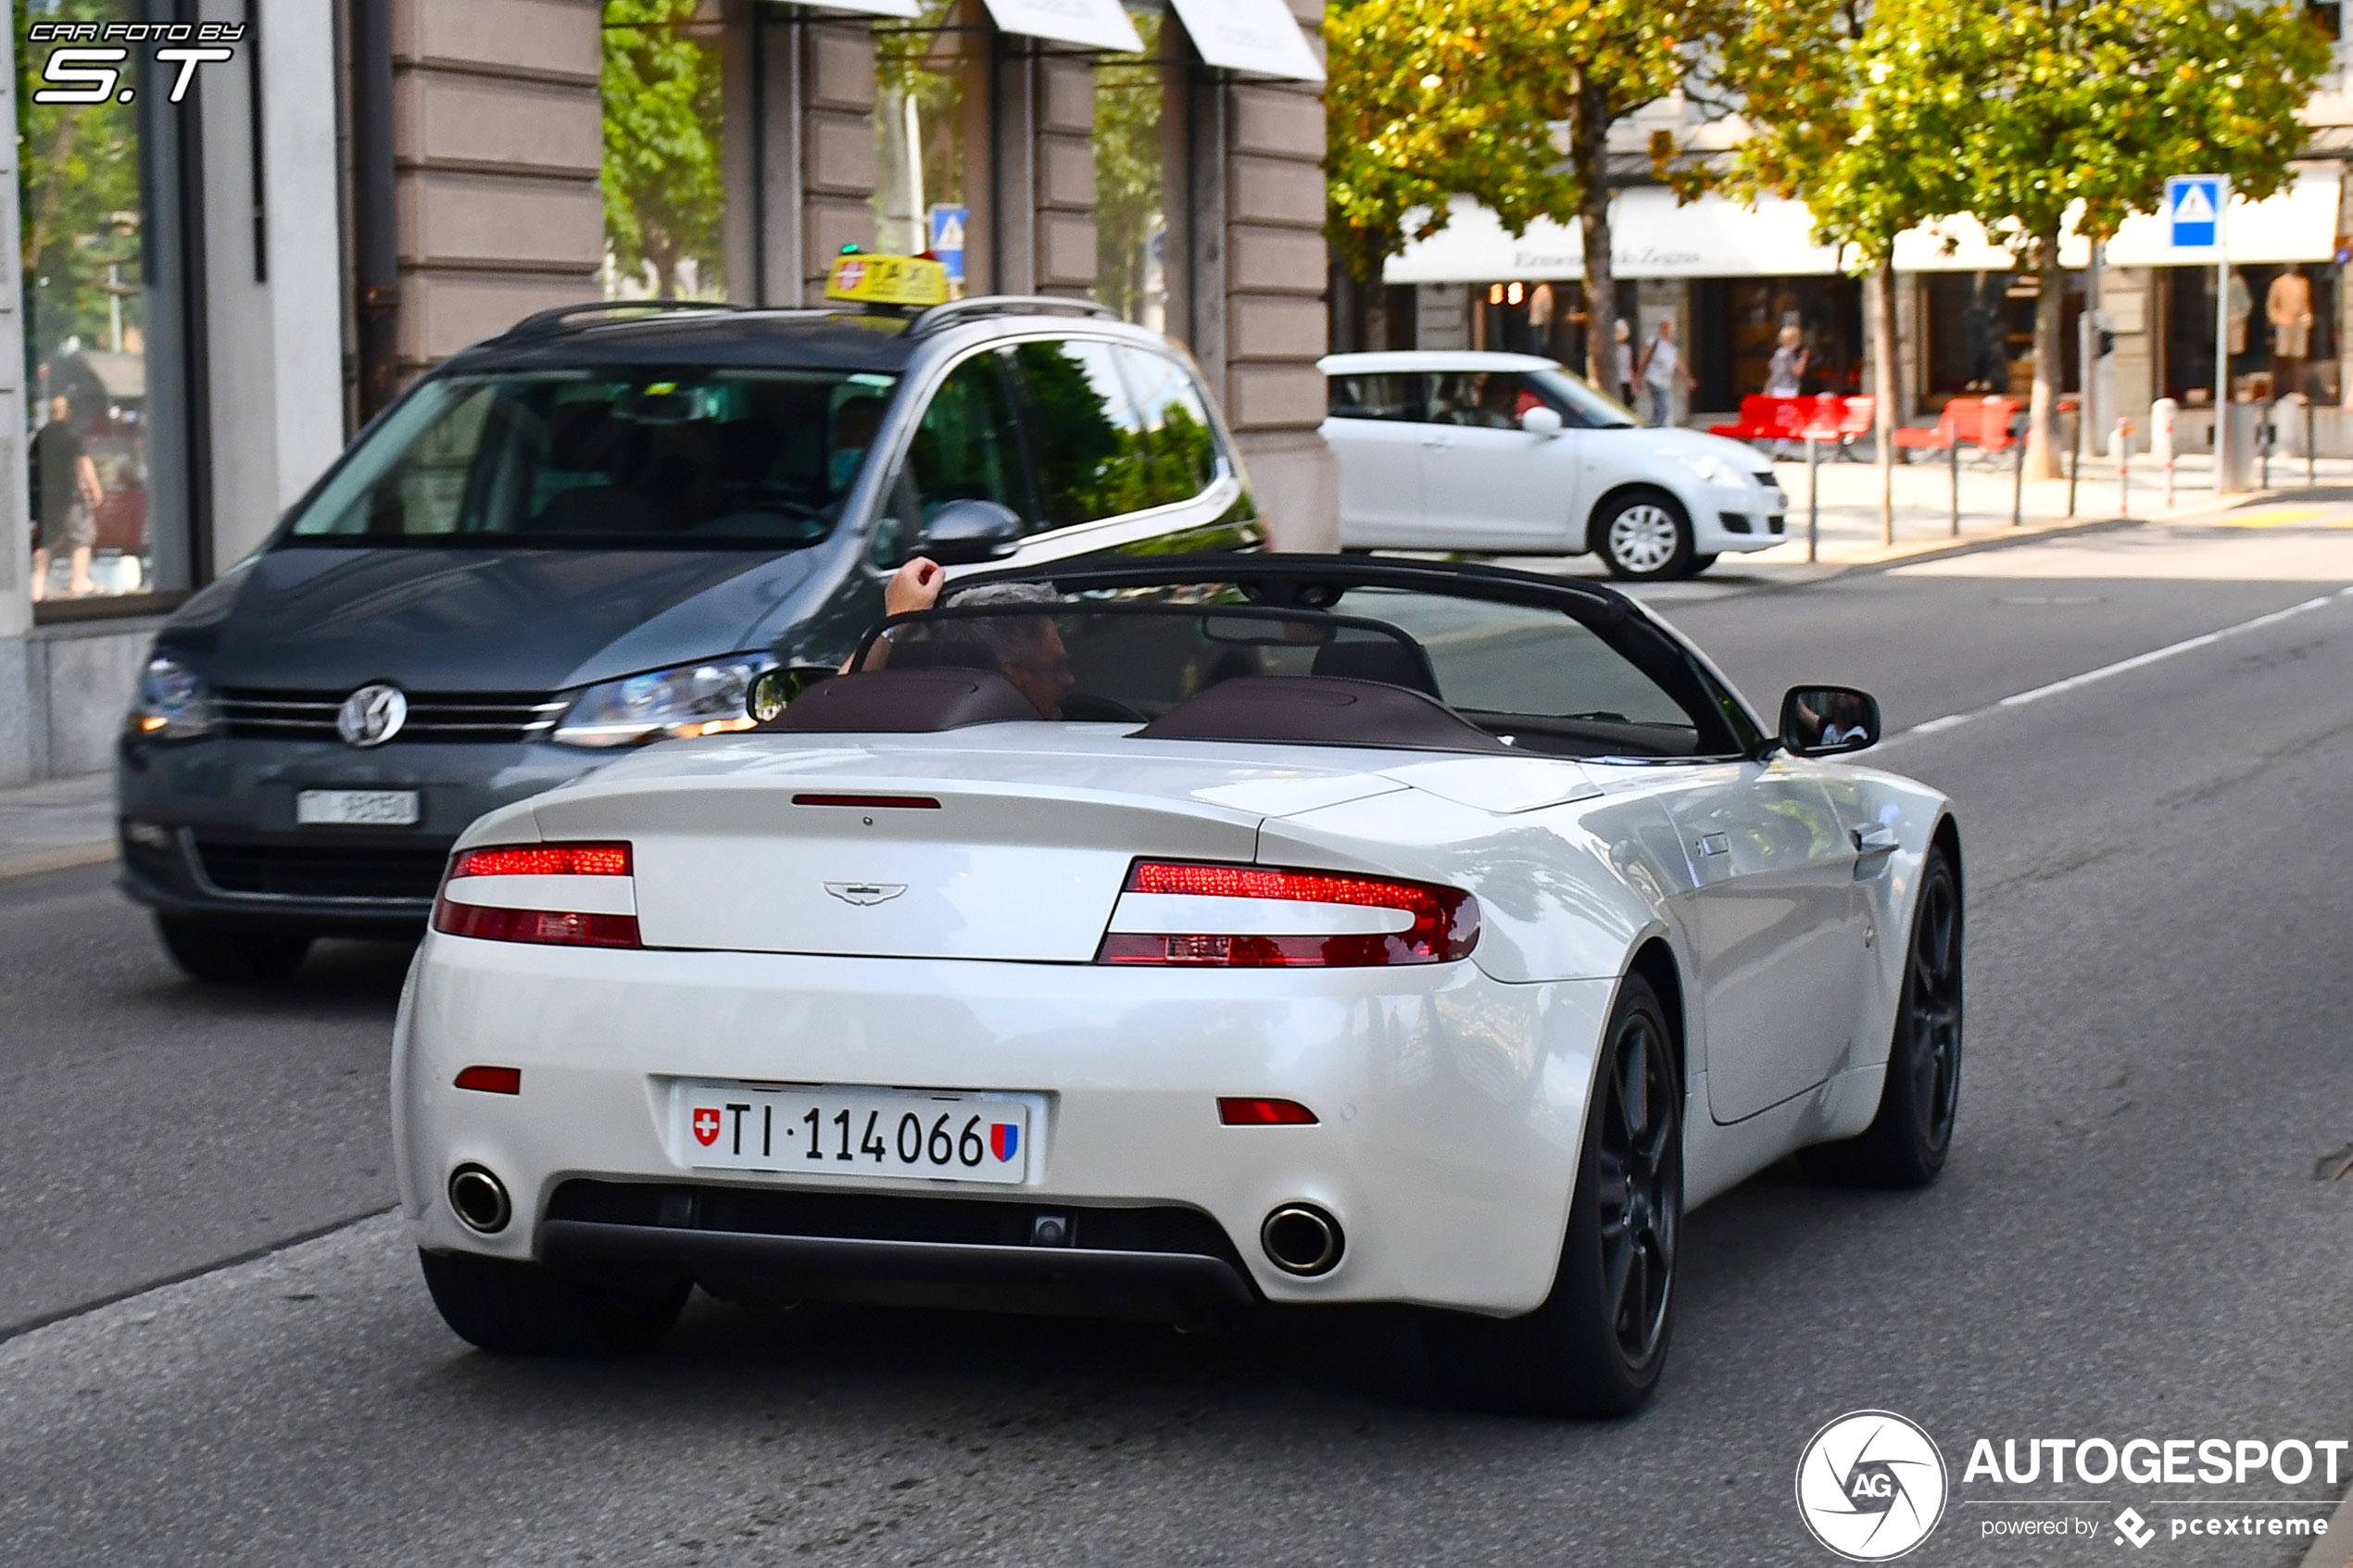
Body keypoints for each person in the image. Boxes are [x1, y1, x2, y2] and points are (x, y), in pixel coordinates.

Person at [31, 395, 103, 600]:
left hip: (47, 496)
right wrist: (95, 488)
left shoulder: (41, 435)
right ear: (68, 413)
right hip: (69, 496)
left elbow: (31, 463)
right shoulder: (72, 435)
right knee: (81, 538)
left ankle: (37, 587)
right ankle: (79, 581)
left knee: (44, 541)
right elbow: (84, 463)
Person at [1636, 320, 1693, 429]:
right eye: (1666, 328)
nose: (1668, 331)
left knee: (1661, 407)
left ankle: (1655, 426)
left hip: (1665, 380)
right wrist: (1639, 376)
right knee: (1663, 406)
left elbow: (1678, 363)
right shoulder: (1654, 341)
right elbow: (1644, 358)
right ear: (1661, 328)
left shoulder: (1671, 346)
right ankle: (1658, 428)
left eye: (1670, 328)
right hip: (1654, 378)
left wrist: (1688, 377)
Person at [1767, 324, 1809, 458]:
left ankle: (1781, 449)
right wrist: (1803, 358)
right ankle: (1782, 450)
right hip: (1787, 389)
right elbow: (1798, 371)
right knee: (1786, 420)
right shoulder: (1788, 354)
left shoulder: (1778, 353)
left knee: (1782, 419)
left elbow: (1771, 368)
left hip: (1777, 388)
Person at [1612, 320, 1636, 409]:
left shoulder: (1627, 348)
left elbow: (1629, 366)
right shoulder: (1610, 348)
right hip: (1614, 381)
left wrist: (1633, 383)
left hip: (1625, 380)